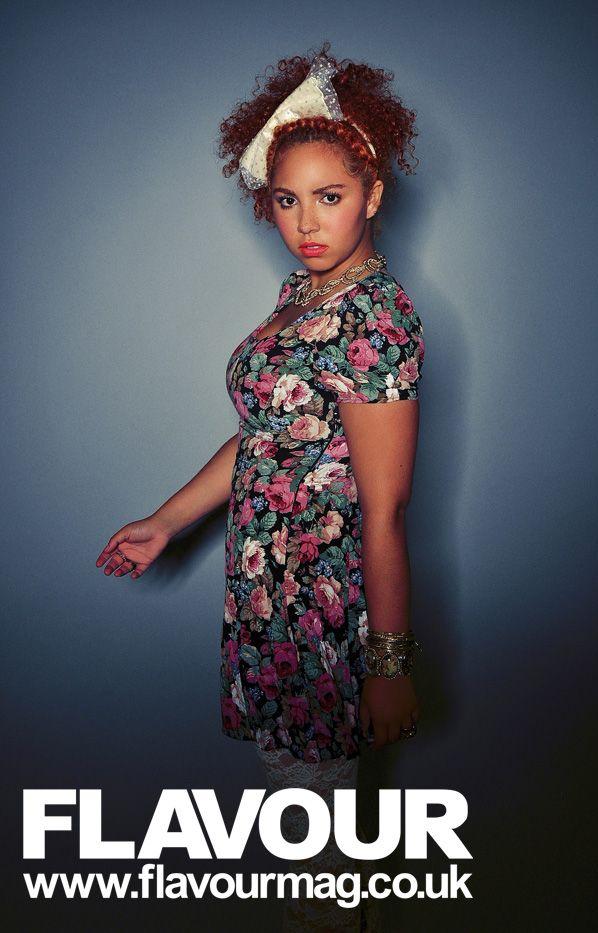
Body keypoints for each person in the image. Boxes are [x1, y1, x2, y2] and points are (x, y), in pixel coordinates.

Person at [96, 44, 425, 931]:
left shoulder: (374, 319)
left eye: (330, 196)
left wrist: (388, 666)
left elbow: (386, 510)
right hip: (267, 596)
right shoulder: (302, 294)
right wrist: (165, 522)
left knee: (315, 859)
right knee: (299, 835)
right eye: (287, 200)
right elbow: (265, 438)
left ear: (372, 196)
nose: (306, 222)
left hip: (322, 612)